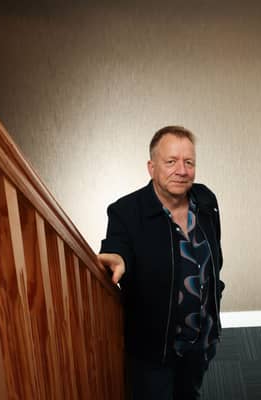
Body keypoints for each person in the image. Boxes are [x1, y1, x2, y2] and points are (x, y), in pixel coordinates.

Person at [98, 126, 224, 400]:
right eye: (171, 162)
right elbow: (118, 247)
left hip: (200, 339)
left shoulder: (206, 200)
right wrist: (119, 257)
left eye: (188, 162)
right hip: (155, 349)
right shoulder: (126, 211)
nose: (181, 170)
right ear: (151, 167)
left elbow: (216, 258)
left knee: (189, 393)